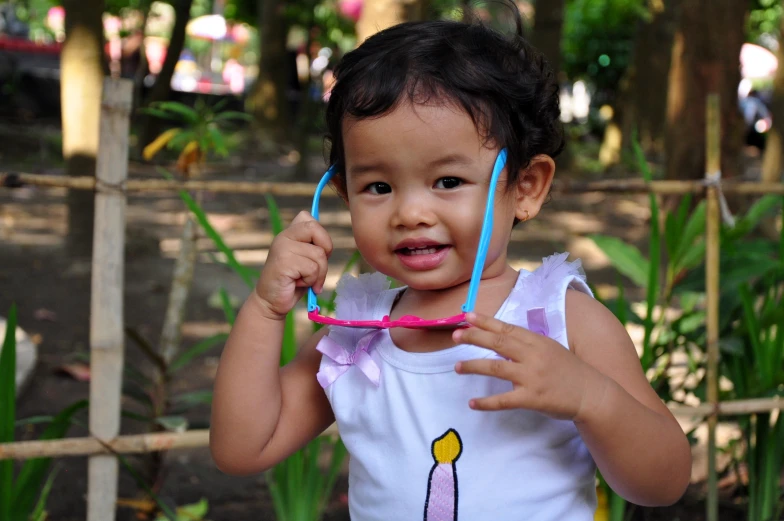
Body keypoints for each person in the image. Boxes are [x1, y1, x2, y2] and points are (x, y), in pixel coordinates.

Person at [210, 7, 691, 520]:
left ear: (525, 188)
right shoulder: (357, 338)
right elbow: (243, 448)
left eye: (447, 181)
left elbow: (662, 482)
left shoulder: (561, 322)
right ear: (344, 193)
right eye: (378, 186)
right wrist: (264, 311)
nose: (410, 213)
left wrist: (592, 398)